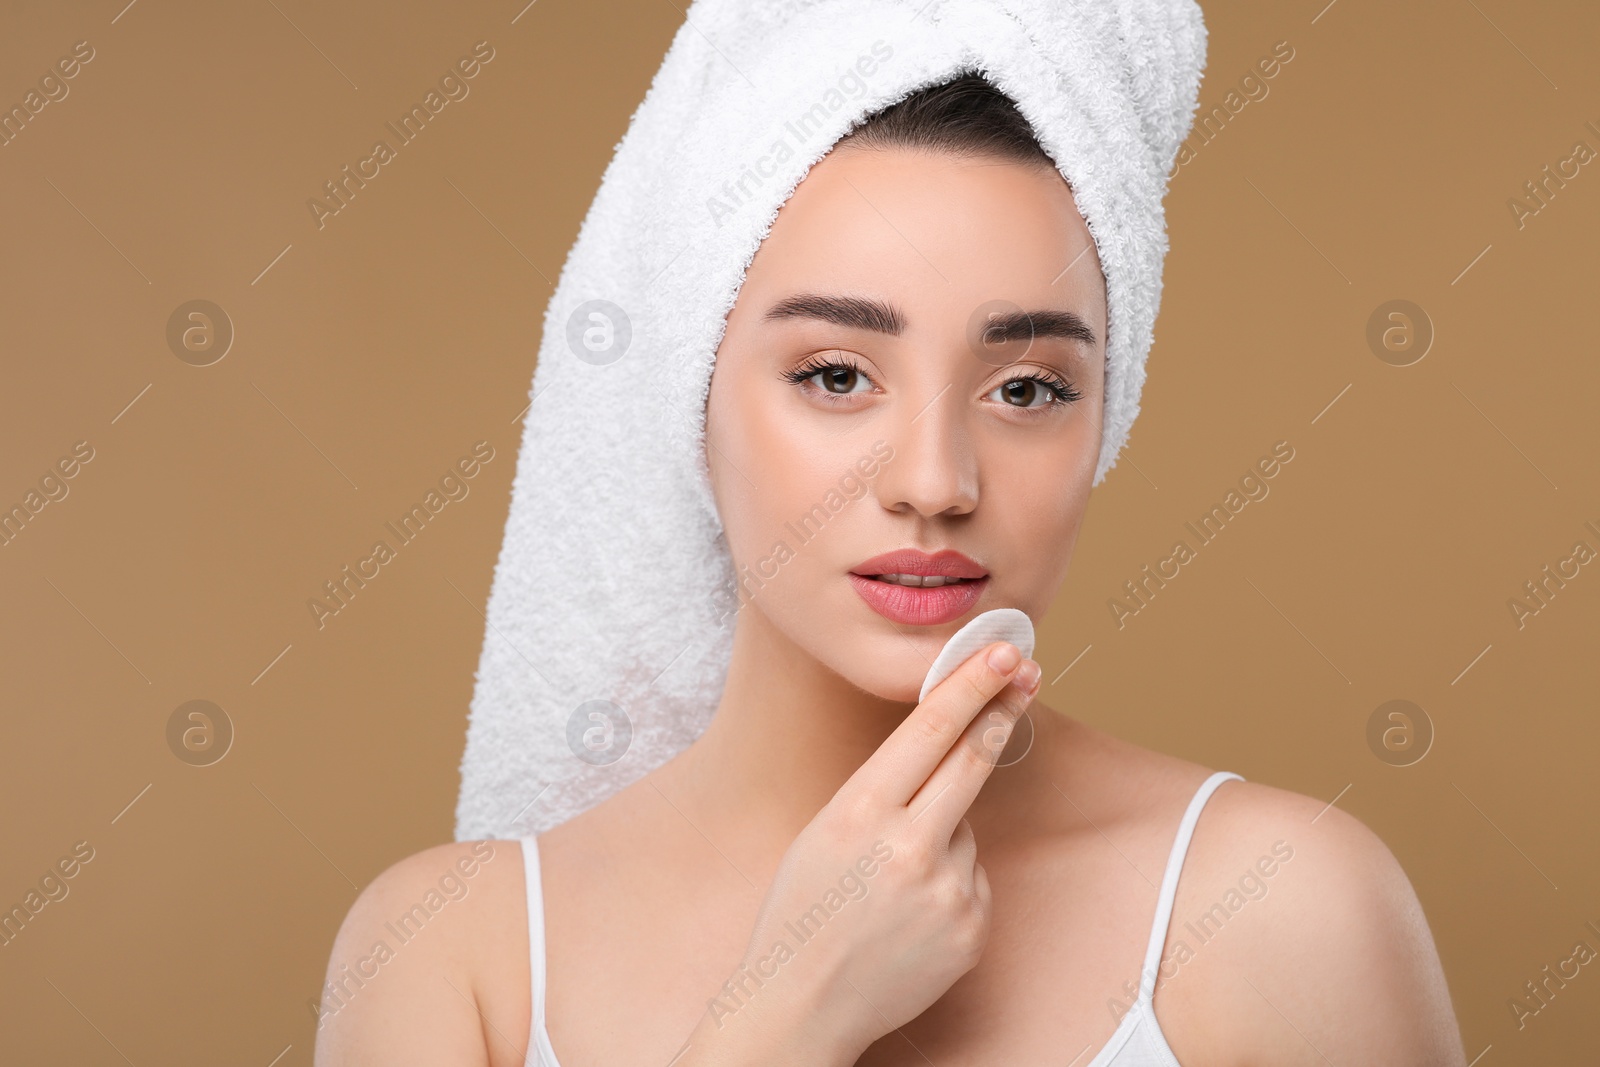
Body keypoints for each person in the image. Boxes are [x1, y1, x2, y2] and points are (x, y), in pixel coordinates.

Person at [315, 48, 1465, 1067]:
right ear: (691, 393)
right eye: (834, 374)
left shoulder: (1283, 909)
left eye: (1026, 388)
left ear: (1104, 417)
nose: (934, 479)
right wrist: (786, 1016)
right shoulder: (446, 957)